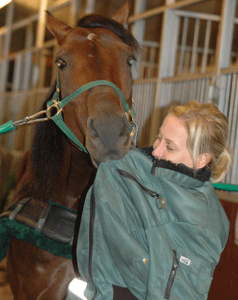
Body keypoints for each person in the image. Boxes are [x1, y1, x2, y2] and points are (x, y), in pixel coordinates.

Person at [66, 100, 232, 300]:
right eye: (158, 138)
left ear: (201, 160)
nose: (156, 151)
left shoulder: (205, 224)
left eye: (169, 146)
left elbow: (180, 292)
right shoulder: (137, 167)